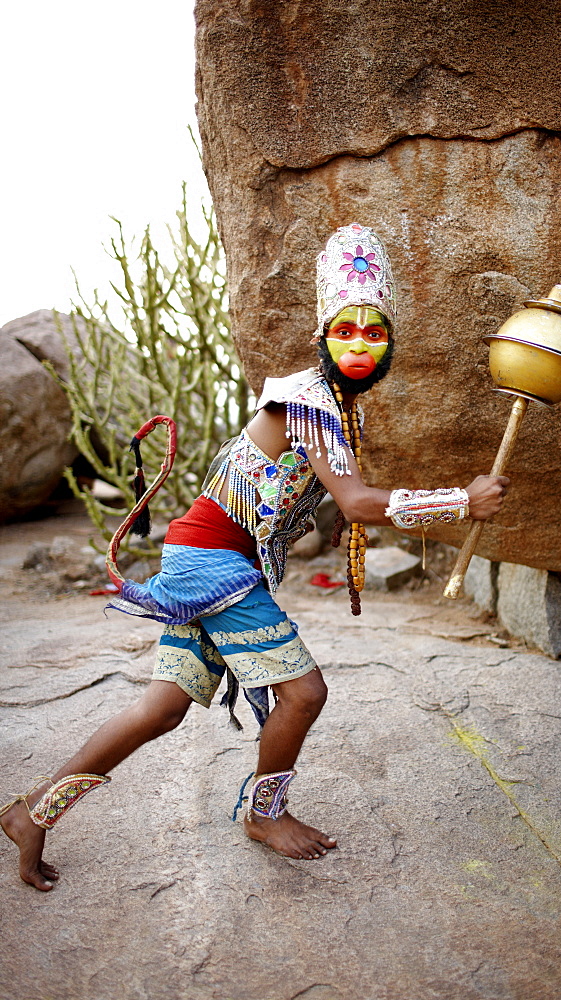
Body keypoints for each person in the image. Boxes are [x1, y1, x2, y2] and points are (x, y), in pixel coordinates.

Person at [0, 223, 508, 890]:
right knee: (304, 691)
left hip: (199, 559)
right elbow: (355, 503)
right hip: (212, 564)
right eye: (344, 330)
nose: (358, 343)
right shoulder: (304, 399)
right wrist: (460, 503)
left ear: (390, 343)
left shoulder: (334, 408)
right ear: (321, 335)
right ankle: (264, 814)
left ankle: (33, 812)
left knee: (162, 708)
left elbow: (313, 498)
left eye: (374, 332)